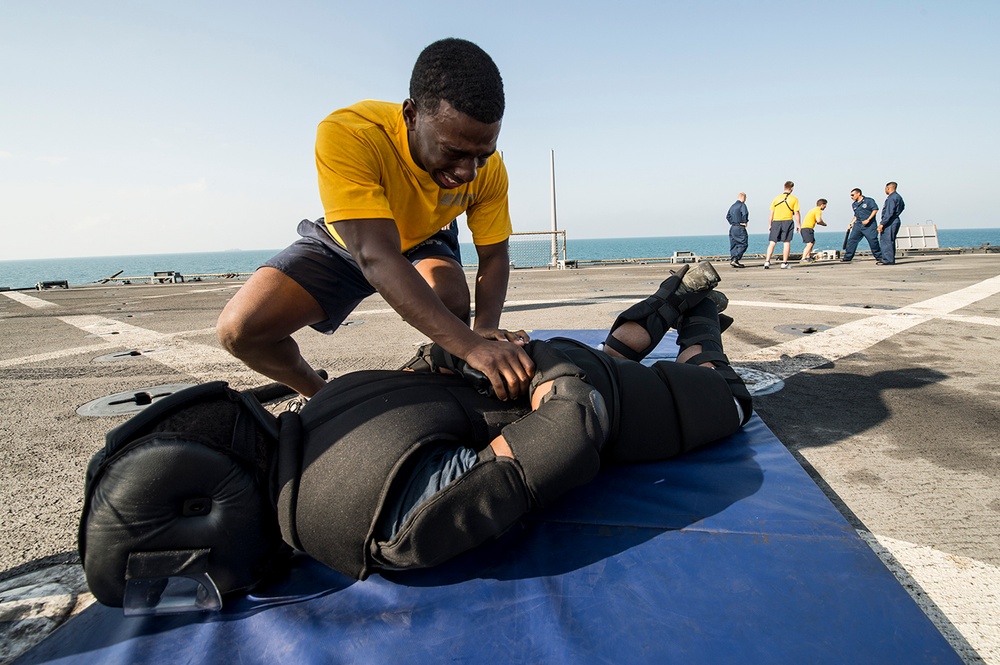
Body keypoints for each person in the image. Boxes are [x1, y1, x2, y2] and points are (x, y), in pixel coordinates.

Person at [82, 263, 753, 604]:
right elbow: (439, 374)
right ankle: (683, 298)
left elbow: (562, 437)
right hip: (551, 380)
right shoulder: (328, 412)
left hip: (565, 388)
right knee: (626, 359)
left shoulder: (362, 511)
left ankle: (696, 316)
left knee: (724, 395)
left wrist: (523, 365)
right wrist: (494, 355)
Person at [216, 38, 533, 408]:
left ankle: (443, 392)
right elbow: (375, 256)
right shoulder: (351, 132)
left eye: (482, 155)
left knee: (449, 298)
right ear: (411, 115)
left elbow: (494, 255)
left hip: (426, 237)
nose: (467, 171)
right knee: (240, 330)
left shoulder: (488, 169)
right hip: (353, 241)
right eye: (453, 152)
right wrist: (470, 346)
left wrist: (484, 331)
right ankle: (325, 401)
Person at [763, 181, 800, 269]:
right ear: (792, 189)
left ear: (784, 187)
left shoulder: (776, 199)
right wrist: (799, 225)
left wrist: (770, 224)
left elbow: (771, 213)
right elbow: (797, 213)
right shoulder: (794, 199)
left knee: (772, 242)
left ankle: (767, 261)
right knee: (786, 242)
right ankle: (784, 263)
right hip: (787, 221)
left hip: (776, 221)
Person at [842, 188, 883, 263]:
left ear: (858, 194)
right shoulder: (854, 204)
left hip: (869, 225)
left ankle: (879, 257)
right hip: (858, 225)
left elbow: (875, 209)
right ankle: (848, 257)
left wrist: (868, 219)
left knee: (873, 241)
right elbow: (856, 215)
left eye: (853, 195)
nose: (851, 197)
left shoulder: (869, 201)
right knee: (852, 241)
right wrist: (851, 223)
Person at [878, 182, 906, 265]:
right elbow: (903, 207)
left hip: (890, 221)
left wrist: (882, 223)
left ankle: (888, 260)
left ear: (888, 188)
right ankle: (888, 258)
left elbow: (889, 212)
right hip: (895, 219)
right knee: (890, 240)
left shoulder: (891, 198)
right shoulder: (898, 197)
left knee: (887, 240)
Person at [799, 198, 828, 263]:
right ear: (822, 205)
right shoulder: (818, 210)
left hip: (806, 228)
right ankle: (803, 258)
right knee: (809, 244)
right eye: (825, 206)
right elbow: (819, 220)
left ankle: (808, 257)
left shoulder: (813, 210)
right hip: (807, 228)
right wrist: (824, 224)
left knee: (812, 242)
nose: (825, 207)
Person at [727, 193, 749, 268]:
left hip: (732, 227)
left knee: (734, 244)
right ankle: (736, 258)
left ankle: (733, 258)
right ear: (743, 197)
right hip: (740, 227)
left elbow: (728, 216)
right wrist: (744, 221)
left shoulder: (732, 206)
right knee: (743, 243)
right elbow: (745, 213)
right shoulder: (742, 205)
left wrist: (732, 222)